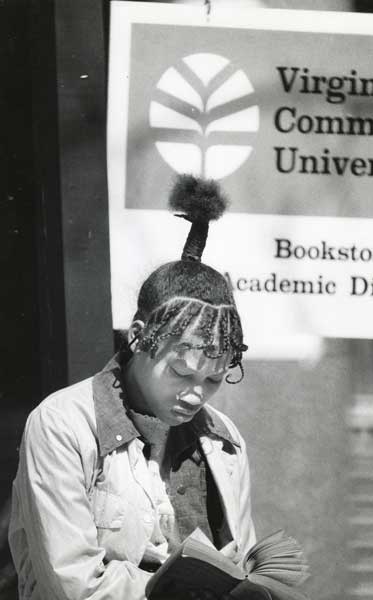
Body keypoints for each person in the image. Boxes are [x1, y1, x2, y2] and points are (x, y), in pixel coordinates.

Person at [8, 175, 259, 600]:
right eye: (181, 373)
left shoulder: (225, 440)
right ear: (139, 337)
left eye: (213, 379)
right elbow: (74, 585)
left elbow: (244, 564)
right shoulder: (61, 425)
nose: (197, 395)